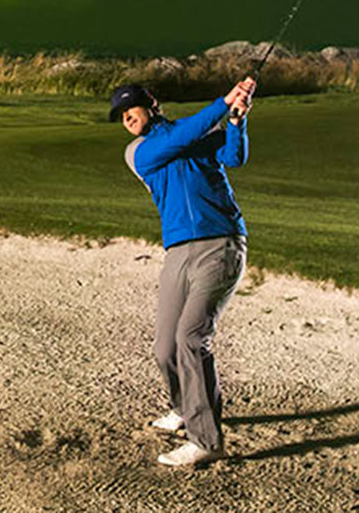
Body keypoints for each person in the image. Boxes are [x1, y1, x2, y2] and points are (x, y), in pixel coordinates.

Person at [109, 76, 255, 467]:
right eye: (120, 115)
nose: (126, 118)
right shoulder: (139, 151)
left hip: (220, 243)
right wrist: (225, 103)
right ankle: (184, 408)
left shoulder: (194, 134)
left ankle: (206, 440)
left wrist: (237, 121)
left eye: (131, 109)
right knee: (165, 349)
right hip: (177, 251)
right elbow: (181, 138)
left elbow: (232, 156)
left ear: (151, 104)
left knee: (191, 337)